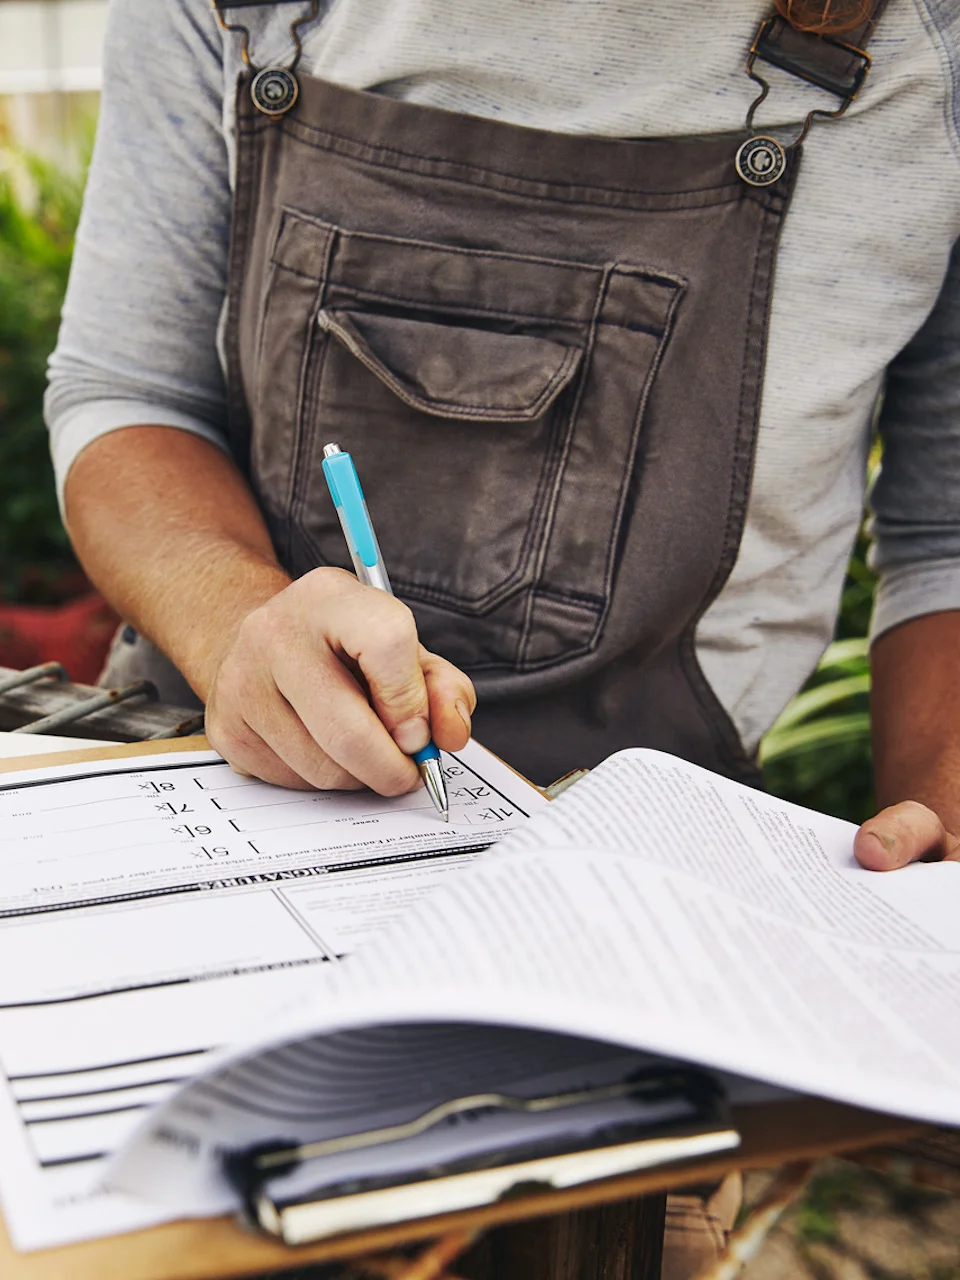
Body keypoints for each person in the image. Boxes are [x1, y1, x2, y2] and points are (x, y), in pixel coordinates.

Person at [45, 0, 960, 1272]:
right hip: (220, 840)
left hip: (646, 945)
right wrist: (241, 620)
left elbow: (950, 531)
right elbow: (129, 396)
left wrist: (941, 832)